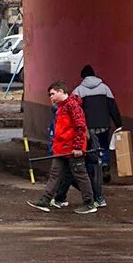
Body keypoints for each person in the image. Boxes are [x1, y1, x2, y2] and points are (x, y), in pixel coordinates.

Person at [52, 64, 124, 209]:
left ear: (83, 77)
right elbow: (112, 106)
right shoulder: (105, 88)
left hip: (88, 128)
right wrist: (119, 124)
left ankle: (91, 186)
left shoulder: (79, 90)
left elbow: (75, 111)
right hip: (104, 124)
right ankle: (103, 163)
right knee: (102, 147)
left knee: (81, 163)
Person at [30, 81, 99, 215]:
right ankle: (45, 200)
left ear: (61, 91)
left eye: (52, 94)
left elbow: (80, 126)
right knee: (56, 174)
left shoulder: (72, 106)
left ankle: (89, 203)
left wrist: (78, 147)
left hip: (71, 148)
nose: (50, 97)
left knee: (80, 174)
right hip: (62, 149)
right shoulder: (63, 107)